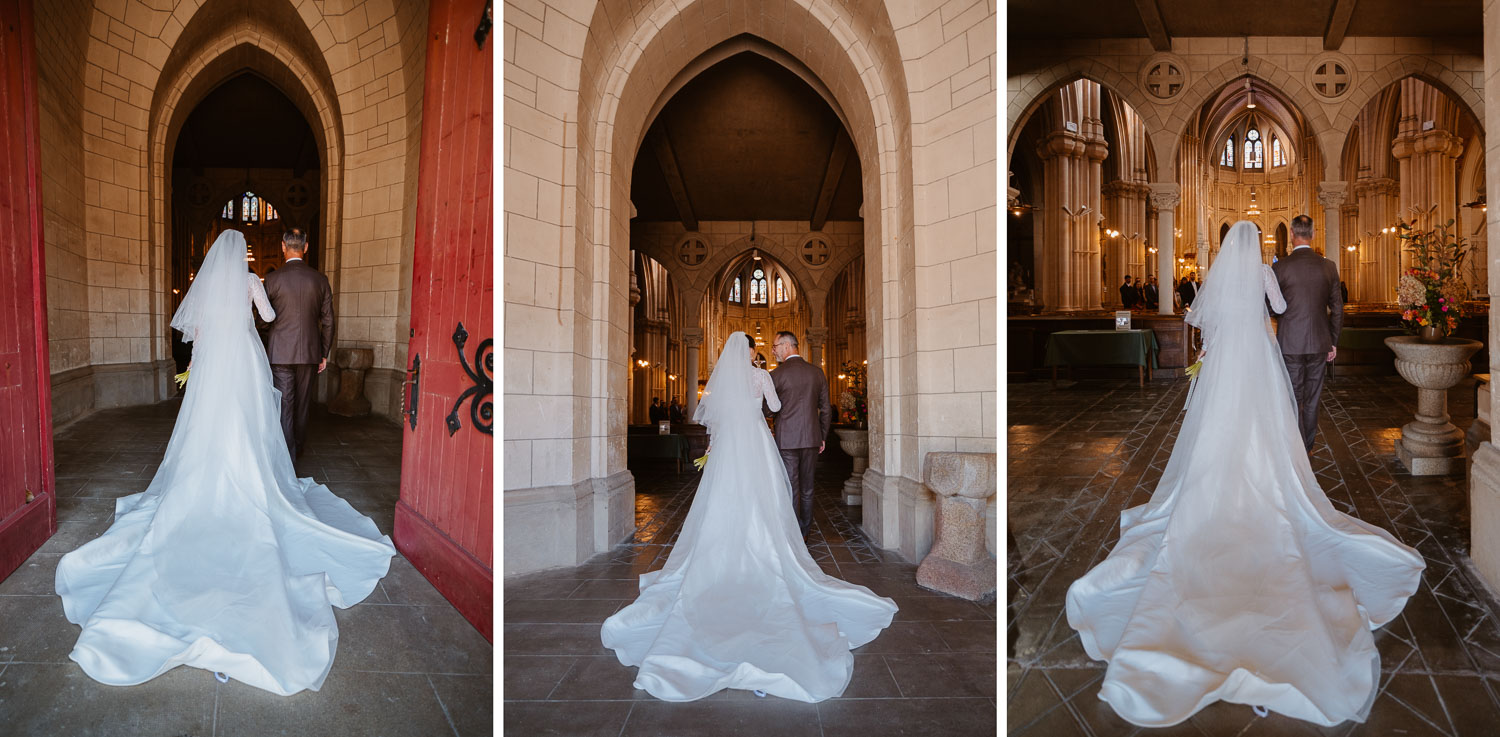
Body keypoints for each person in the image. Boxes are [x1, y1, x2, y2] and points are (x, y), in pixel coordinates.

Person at [1065, 220, 1423, 728]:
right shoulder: (1264, 271)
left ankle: (1217, 488)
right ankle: (1268, 480)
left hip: (1226, 357)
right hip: (1257, 355)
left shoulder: (1221, 272)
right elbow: (1277, 310)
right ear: (1258, 245)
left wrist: (1215, 339)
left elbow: (1197, 315)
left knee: (1219, 424)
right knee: (1267, 422)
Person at [55, 229, 396, 695]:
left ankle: (207, 479)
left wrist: (204, 351)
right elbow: (269, 316)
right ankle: (255, 474)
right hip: (246, 357)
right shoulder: (254, 280)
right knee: (253, 419)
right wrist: (254, 312)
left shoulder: (207, 281)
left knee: (207, 420)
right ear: (246, 258)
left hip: (214, 362)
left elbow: (194, 330)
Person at [601, 332, 897, 702]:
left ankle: (725, 551)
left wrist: (714, 443)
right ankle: (769, 546)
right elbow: (772, 407)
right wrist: (763, 398)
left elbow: (715, 419)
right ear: (754, 355)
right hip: (756, 441)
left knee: (723, 498)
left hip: (728, 445)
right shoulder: (761, 377)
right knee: (766, 495)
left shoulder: (724, 381)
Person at [1272, 214, 1344, 452]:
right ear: (1313, 234)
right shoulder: (1329, 266)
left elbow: (1271, 307)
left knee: (1293, 397)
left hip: (1289, 343)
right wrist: (1332, 342)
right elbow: (1337, 309)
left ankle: (1293, 448)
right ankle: (1308, 447)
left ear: (1291, 235)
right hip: (1319, 343)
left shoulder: (1280, 267)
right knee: (1312, 399)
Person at [263, 228, 333, 462]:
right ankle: (299, 449)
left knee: (285, 405)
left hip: (280, 353)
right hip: (310, 353)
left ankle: (287, 457)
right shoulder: (320, 279)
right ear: (306, 247)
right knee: (303, 405)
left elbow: (264, 320)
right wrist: (324, 353)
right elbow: (328, 321)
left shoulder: (272, 279)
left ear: (283, 246)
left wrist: (264, 337)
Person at [768, 330, 833, 536]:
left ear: (787, 346)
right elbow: (826, 408)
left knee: (791, 487)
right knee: (808, 488)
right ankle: (804, 533)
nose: (773, 351)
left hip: (787, 439)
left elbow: (769, 410)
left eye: (775, 347)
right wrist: (822, 435)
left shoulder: (776, 375)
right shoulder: (817, 372)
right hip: (812, 438)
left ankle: (792, 535)